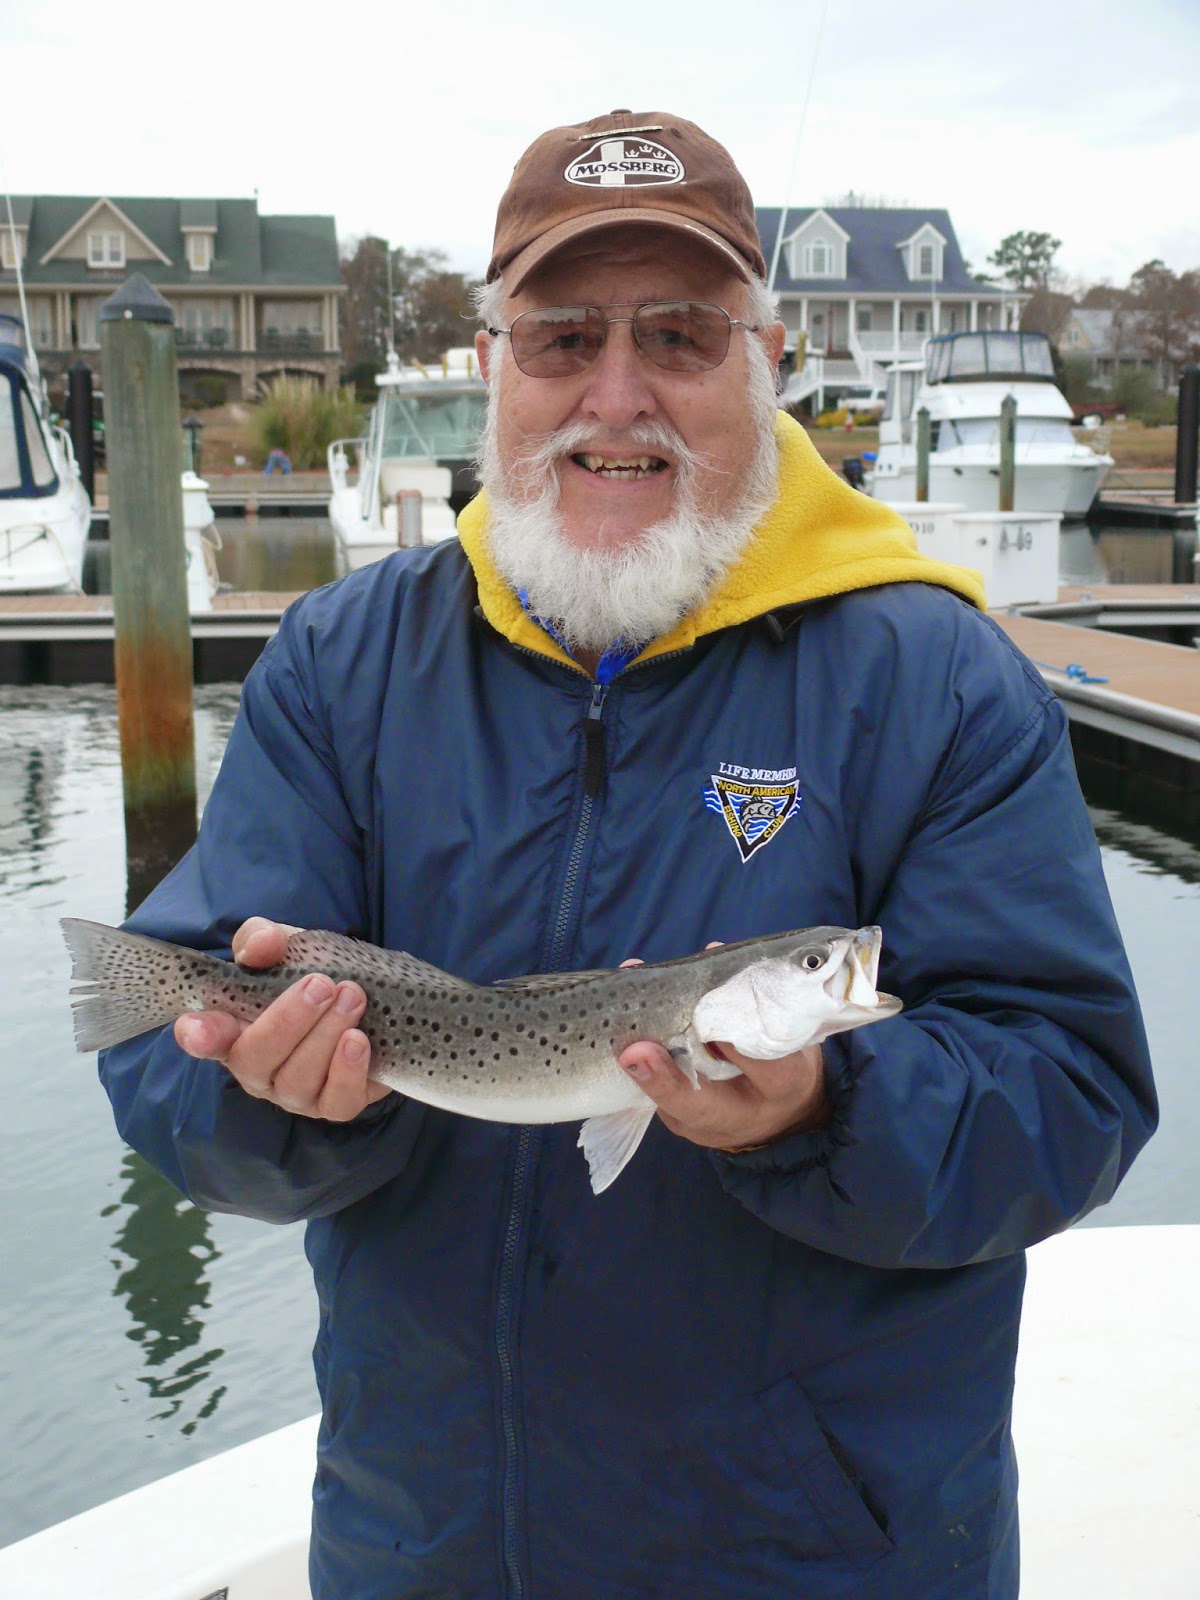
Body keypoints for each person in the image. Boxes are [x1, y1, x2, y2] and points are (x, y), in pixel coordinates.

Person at [99, 110, 1156, 1599]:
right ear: (490, 370)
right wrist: (277, 1098)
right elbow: (169, 1067)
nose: (617, 393)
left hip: (826, 1562)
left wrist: (820, 1109)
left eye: (678, 334)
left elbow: (1074, 1092)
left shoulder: (940, 679)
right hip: (426, 1546)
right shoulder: (343, 663)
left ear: (763, 362)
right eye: (561, 339)